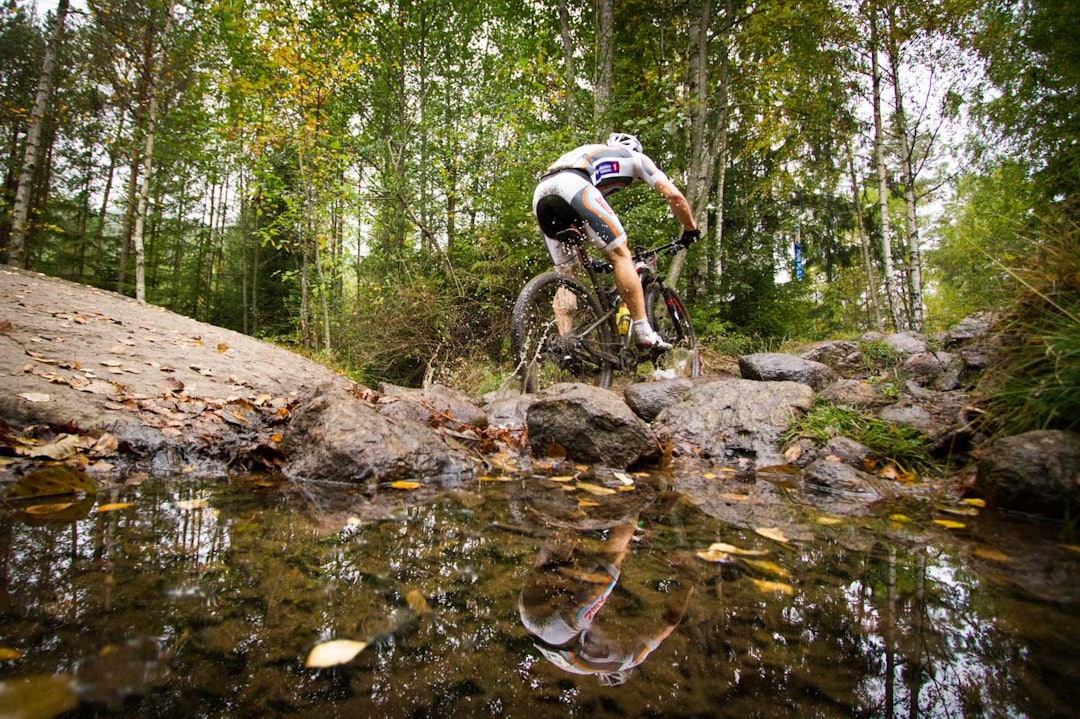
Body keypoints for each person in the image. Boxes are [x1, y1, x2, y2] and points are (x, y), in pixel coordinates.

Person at [532, 132, 701, 351]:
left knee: (568, 276)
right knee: (621, 255)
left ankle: (567, 345)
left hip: (541, 192)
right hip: (573, 184)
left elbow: (583, 224)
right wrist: (690, 228)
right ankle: (644, 332)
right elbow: (674, 196)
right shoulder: (635, 157)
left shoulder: (589, 154)